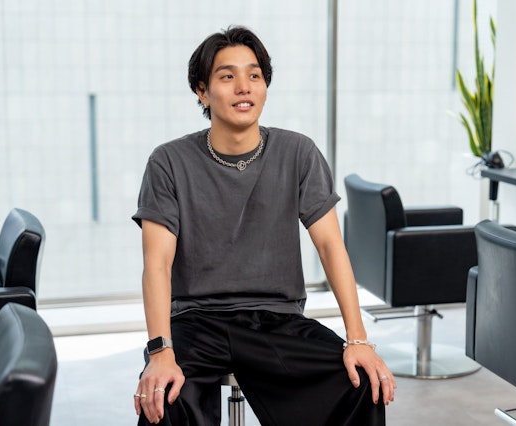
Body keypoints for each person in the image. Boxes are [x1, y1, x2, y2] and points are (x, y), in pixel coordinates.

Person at [132, 25, 396, 426]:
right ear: (202, 91)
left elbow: (330, 246)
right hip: (195, 320)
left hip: (278, 319)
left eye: (254, 75)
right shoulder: (168, 162)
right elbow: (157, 263)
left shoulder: (298, 152)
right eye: (227, 76)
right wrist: (159, 351)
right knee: (165, 396)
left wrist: (358, 340)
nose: (244, 87)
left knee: (360, 383)